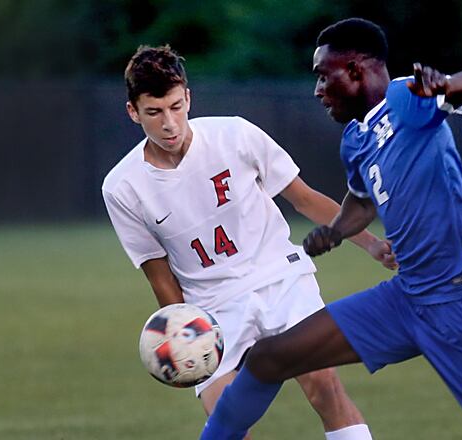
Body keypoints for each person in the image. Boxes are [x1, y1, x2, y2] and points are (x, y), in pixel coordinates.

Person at [201, 18, 462, 440]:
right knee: (269, 357)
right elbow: (362, 201)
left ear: (356, 71)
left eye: (323, 77)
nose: (317, 91)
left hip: (460, 303)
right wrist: (336, 231)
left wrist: (447, 84)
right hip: (404, 298)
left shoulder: (407, 97)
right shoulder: (355, 139)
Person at [102, 44, 398, 440]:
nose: (169, 123)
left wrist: (371, 243)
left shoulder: (235, 134)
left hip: (280, 278)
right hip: (211, 308)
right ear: (133, 112)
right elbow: (159, 275)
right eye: (154, 112)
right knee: (227, 425)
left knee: (325, 388)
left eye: (175, 106)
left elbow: (304, 198)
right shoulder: (122, 187)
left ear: (188, 97)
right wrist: (181, 329)